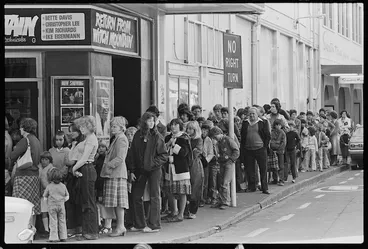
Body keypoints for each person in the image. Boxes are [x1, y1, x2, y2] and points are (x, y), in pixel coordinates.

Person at [129, 112, 169, 231]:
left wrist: (152, 163)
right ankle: (140, 224)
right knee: (136, 196)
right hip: (140, 170)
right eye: (149, 120)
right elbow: (132, 154)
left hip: (154, 170)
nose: (151, 123)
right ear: (143, 121)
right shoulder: (137, 135)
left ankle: (154, 225)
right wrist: (131, 170)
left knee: (154, 196)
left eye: (153, 121)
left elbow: (163, 155)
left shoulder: (158, 136)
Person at [100, 117, 129, 237]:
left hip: (117, 174)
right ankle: (119, 226)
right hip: (115, 173)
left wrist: (108, 166)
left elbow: (120, 158)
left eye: (115, 126)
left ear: (121, 127)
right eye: (111, 126)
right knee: (116, 202)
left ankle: (120, 226)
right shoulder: (117, 138)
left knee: (118, 202)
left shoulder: (121, 139)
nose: (112, 128)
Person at [10, 118, 42, 227]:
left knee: (21, 204)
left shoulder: (25, 140)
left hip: (23, 176)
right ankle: (32, 230)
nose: (20, 129)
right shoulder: (36, 140)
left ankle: (22, 229)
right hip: (34, 176)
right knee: (32, 206)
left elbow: (13, 155)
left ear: (24, 128)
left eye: (21, 127)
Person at [72, 116, 99, 240]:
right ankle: (87, 230)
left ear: (89, 126)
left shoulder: (91, 139)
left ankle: (92, 231)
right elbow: (74, 155)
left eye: (83, 126)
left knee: (89, 201)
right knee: (86, 200)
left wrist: (74, 168)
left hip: (87, 168)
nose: (81, 129)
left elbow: (84, 158)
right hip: (85, 168)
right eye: (80, 126)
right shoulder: (87, 138)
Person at [163, 118, 192, 222]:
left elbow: (184, 153)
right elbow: (163, 151)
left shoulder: (184, 138)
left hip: (181, 169)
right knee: (170, 190)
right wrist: (168, 144)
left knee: (182, 191)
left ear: (180, 126)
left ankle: (181, 214)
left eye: (175, 125)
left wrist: (174, 146)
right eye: (172, 125)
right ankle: (174, 211)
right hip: (169, 168)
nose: (173, 127)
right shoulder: (167, 137)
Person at [240, 107, 271, 194]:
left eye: (253, 113)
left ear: (257, 114)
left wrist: (264, 146)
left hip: (260, 149)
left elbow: (267, 136)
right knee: (250, 169)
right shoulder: (245, 123)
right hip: (248, 149)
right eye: (250, 114)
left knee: (263, 169)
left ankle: (264, 187)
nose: (252, 115)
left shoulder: (262, 123)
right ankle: (252, 186)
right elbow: (242, 136)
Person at [209, 126, 239, 209]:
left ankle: (226, 202)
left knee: (225, 182)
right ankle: (222, 200)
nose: (214, 139)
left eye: (215, 136)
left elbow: (236, 150)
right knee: (221, 182)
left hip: (228, 163)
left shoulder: (228, 140)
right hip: (222, 163)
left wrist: (231, 159)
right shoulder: (218, 143)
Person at [65, 122, 84, 237]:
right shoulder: (74, 143)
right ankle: (74, 227)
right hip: (73, 175)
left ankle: (76, 227)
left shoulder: (79, 144)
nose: (70, 133)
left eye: (72, 131)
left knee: (76, 202)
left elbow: (70, 161)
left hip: (77, 174)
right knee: (72, 202)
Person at [43, 168, 69, 242]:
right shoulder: (63, 186)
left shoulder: (49, 186)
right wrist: (62, 200)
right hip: (61, 205)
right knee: (62, 220)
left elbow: (45, 196)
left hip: (52, 206)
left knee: (53, 221)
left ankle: (53, 237)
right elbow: (67, 196)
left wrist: (47, 202)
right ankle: (63, 236)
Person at [184, 121, 204, 219]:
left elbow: (196, 153)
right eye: (187, 128)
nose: (188, 131)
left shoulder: (198, 140)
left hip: (195, 165)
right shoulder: (184, 139)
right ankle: (185, 210)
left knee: (195, 187)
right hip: (186, 165)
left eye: (191, 129)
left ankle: (193, 210)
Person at [94, 141, 114, 234]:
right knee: (99, 204)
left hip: (105, 182)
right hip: (98, 183)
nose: (100, 149)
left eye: (103, 147)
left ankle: (108, 225)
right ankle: (100, 223)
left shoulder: (108, 159)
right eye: (99, 147)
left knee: (107, 204)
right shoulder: (97, 158)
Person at [38, 151, 56, 237]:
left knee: (51, 211)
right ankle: (46, 229)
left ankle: (53, 228)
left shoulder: (52, 169)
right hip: (42, 194)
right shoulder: (39, 169)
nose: (44, 161)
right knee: (44, 211)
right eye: (42, 159)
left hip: (51, 194)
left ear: (50, 160)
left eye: (46, 159)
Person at [199, 120, 215, 206]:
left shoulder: (208, 140)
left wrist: (206, 160)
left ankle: (203, 198)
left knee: (205, 181)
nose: (204, 132)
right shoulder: (198, 138)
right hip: (198, 161)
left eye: (206, 130)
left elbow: (211, 153)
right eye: (203, 130)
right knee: (199, 181)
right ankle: (199, 198)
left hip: (205, 162)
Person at [270, 119, 287, 186]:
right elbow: (270, 141)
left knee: (281, 165)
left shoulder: (283, 133)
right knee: (274, 166)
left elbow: (284, 143)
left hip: (280, 151)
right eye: (277, 125)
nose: (278, 126)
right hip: (273, 150)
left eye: (279, 125)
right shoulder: (272, 132)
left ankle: (281, 180)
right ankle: (275, 179)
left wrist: (279, 148)